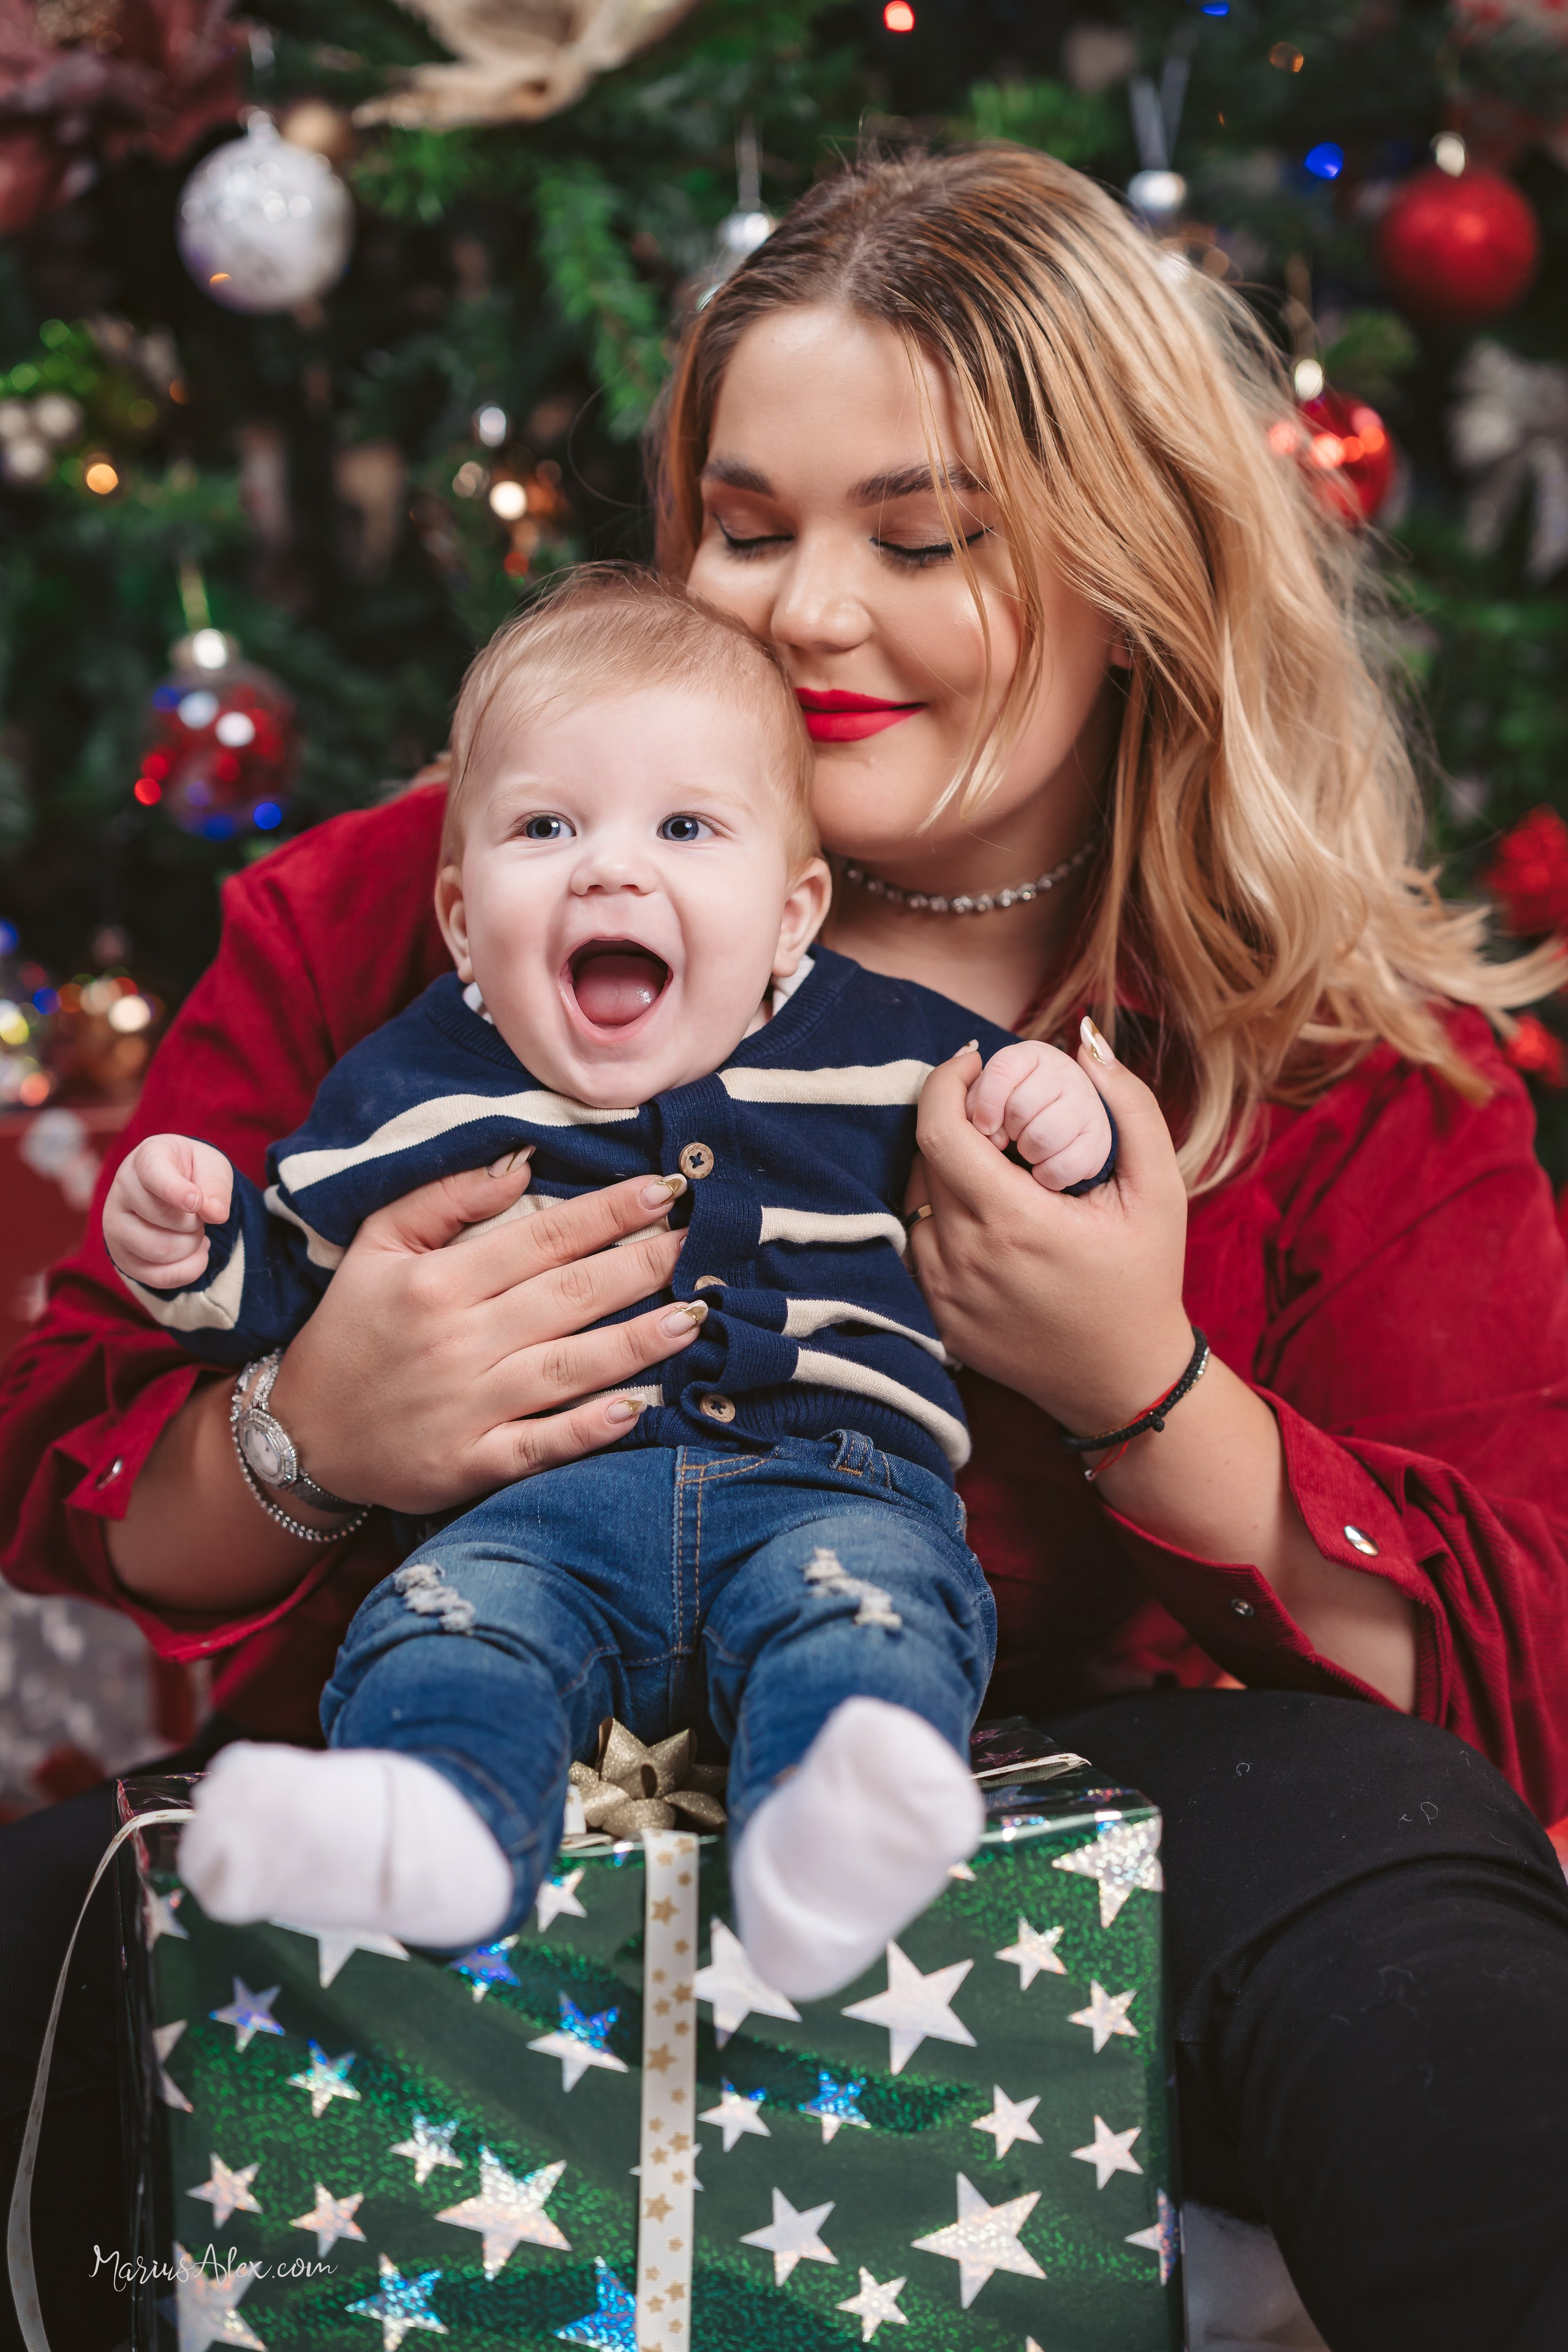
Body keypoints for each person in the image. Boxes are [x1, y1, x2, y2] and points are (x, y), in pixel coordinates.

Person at [2, 143, 1566, 2352]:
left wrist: (1148, 1391)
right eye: (746, 529)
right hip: (478, 1755)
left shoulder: (1329, 1058)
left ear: (1140, 566)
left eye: (921, 541)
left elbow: (1512, 1679)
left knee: (1411, 1933)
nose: (807, 613)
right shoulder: (422, 896)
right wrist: (309, 1423)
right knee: (44, 1942)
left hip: (1064, 1829)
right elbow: (85, 1476)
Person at [99, 565, 1114, 1993]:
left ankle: (839, 1831)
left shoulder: (881, 1049)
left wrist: (1060, 1118)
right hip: (529, 1520)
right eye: (544, 828)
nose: (611, 869)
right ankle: (434, 1823)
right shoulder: (410, 1093)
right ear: (461, 922)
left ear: (787, 916)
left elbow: (1023, 1135)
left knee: (871, 1607)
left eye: (687, 828)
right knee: (449, 1631)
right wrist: (196, 1248)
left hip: (827, 1483)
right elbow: (286, 1289)